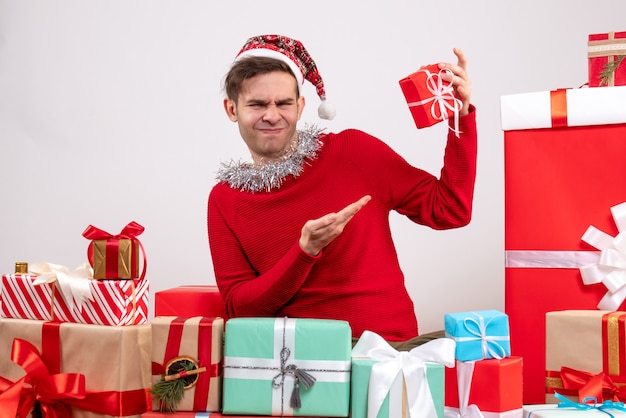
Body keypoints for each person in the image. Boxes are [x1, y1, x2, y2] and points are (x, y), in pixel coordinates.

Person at [207, 34, 477, 346]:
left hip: (388, 350)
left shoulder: (353, 152)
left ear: (301, 106)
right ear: (231, 109)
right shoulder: (225, 201)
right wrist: (304, 251)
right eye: (256, 104)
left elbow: (451, 210)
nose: (271, 115)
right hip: (301, 362)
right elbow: (239, 310)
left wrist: (461, 117)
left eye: (283, 103)